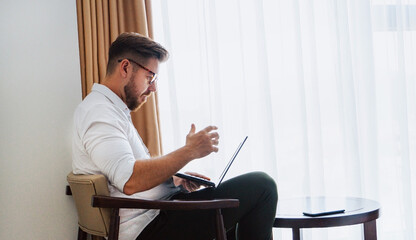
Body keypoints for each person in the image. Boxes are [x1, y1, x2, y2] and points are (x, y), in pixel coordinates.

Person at [72, 32, 277, 240]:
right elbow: (130, 180)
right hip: (147, 227)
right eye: (149, 77)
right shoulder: (99, 113)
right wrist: (190, 151)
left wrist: (172, 180)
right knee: (262, 186)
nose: (153, 88)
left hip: (155, 213)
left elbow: (126, 176)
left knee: (236, 208)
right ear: (125, 67)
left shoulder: (111, 110)